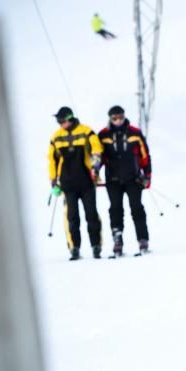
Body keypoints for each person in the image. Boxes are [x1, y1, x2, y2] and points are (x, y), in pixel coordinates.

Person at [47, 106, 105, 260]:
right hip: (67, 184)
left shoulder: (86, 131)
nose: (59, 123)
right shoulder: (56, 137)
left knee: (91, 215)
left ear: (69, 118)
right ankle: (74, 248)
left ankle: (96, 246)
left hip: (86, 181)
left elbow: (97, 149)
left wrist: (95, 166)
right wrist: (53, 181)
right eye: (58, 121)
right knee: (72, 217)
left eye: (61, 120)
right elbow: (52, 160)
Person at [98, 105, 152, 257]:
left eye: (120, 117)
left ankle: (142, 239)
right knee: (115, 209)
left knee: (137, 208)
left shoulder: (134, 132)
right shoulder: (103, 134)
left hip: (133, 179)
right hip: (113, 179)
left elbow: (145, 156)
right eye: (114, 118)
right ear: (110, 119)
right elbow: (98, 156)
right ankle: (118, 241)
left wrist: (147, 175)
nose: (118, 121)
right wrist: (94, 170)